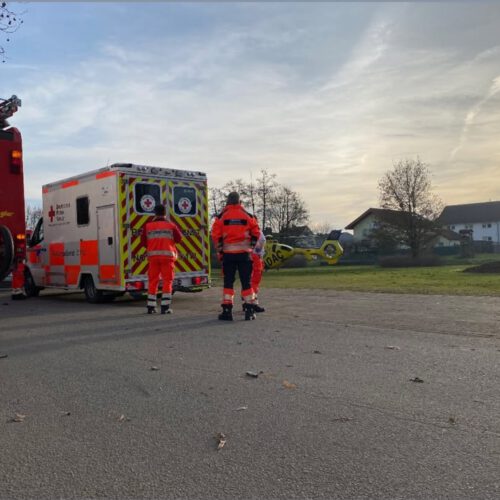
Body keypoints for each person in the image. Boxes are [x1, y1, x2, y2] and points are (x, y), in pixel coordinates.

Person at [211, 191, 261, 321]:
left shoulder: (221, 216)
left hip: (228, 255)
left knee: (228, 283)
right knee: (247, 282)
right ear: (239, 202)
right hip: (244, 255)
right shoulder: (247, 215)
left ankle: (227, 311)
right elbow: (256, 232)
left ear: (228, 201)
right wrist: (251, 246)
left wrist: (220, 250)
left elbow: (215, 235)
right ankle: (249, 311)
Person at [142, 204, 182, 314]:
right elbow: (179, 239)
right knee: (167, 281)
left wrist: (153, 246)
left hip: (153, 258)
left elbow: (143, 243)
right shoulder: (171, 225)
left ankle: (151, 307)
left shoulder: (148, 226)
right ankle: (165, 307)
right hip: (167, 257)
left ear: (155, 213)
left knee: (153, 281)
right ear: (165, 213)